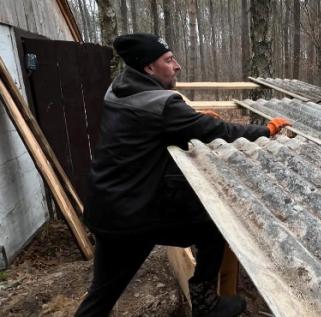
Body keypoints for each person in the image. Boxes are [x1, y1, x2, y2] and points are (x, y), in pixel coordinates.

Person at [75, 33, 290, 317]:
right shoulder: (160, 106)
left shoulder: (121, 88)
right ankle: (205, 303)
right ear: (149, 69)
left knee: (102, 293)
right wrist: (265, 130)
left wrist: (192, 116)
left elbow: (160, 123)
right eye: (168, 60)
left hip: (106, 206)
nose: (176, 66)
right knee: (213, 224)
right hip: (131, 215)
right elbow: (218, 132)